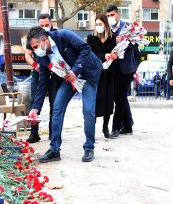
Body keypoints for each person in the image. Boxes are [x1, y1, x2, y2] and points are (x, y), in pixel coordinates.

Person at [27, 26, 101, 163]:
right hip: (69, 79)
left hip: (87, 74)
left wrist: (76, 70)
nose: (35, 50)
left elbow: (85, 48)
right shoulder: (41, 57)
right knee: (57, 107)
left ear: (44, 40)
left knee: (88, 110)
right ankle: (54, 150)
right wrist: (35, 108)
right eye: (33, 48)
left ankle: (89, 148)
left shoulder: (63, 35)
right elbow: (42, 83)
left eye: (36, 46)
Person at [24, 14, 62, 143]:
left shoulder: (56, 36)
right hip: (39, 72)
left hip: (56, 73)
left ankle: (54, 133)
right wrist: (35, 65)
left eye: (47, 25)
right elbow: (27, 55)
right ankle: (34, 133)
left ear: (51, 24)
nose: (45, 28)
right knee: (35, 100)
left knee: (55, 103)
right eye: (42, 25)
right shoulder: (33, 38)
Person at [106, 5, 139, 137]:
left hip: (126, 68)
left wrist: (125, 41)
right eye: (108, 16)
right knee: (118, 97)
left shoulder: (127, 27)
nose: (110, 18)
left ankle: (116, 127)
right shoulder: (106, 29)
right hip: (113, 68)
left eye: (112, 15)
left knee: (119, 98)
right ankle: (128, 124)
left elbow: (135, 45)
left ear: (118, 14)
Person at [87, 14, 116, 138]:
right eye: (97, 24)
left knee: (108, 101)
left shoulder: (112, 38)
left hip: (109, 73)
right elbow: (90, 54)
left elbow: (115, 52)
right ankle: (91, 128)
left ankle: (105, 127)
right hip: (96, 73)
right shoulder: (91, 38)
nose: (98, 26)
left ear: (106, 25)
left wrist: (114, 56)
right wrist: (103, 56)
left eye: (101, 24)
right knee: (95, 101)